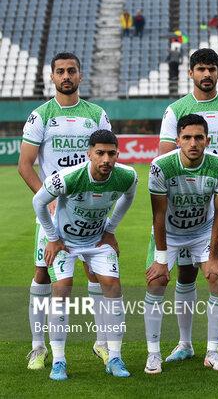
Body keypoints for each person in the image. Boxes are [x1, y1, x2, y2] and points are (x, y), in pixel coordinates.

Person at [157, 48, 218, 362]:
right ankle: (185, 343)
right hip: (188, 205)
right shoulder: (176, 110)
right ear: (191, 73)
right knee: (186, 272)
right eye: (201, 68)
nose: (207, 74)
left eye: (212, 68)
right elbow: (163, 158)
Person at [18, 52, 113, 371]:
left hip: (90, 211)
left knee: (95, 271)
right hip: (53, 214)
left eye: (71, 70)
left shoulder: (96, 114)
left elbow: (107, 158)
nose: (66, 76)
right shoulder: (41, 115)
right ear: (52, 77)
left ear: (80, 75)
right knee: (43, 273)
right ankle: (38, 347)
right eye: (60, 71)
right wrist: (47, 198)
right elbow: (25, 165)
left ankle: (102, 343)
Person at [32, 129, 138, 380]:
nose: (106, 159)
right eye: (100, 153)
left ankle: (115, 357)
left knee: (113, 286)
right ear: (89, 153)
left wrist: (111, 230)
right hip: (64, 242)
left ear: (118, 154)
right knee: (62, 288)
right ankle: (59, 361)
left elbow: (128, 198)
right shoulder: (68, 178)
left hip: (97, 239)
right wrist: (53, 237)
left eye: (111, 153)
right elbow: (38, 202)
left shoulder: (127, 176)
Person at [144, 114, 218, 374]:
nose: (193, 143)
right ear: (178, 140)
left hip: (202, 231)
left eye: (198, 138)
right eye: (187, 137)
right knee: (156, 281)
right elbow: (158, 215)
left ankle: (213, 352)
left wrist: (213, 256)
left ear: (208, 140)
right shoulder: (161, 166)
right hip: (169, 233)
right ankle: (153, 354)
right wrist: (161, 260)